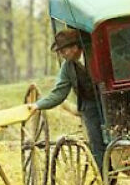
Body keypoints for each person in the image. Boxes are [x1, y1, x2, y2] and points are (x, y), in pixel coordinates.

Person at [28, 28, 106, 174]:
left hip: (108, 100)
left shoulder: (96, 55)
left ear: (76, 48)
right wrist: (38, 105)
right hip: (89, 105)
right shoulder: (68, 67)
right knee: (96, 140)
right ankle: (105, 175)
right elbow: (59, 93)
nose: (62, 55)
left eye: (64, 51)